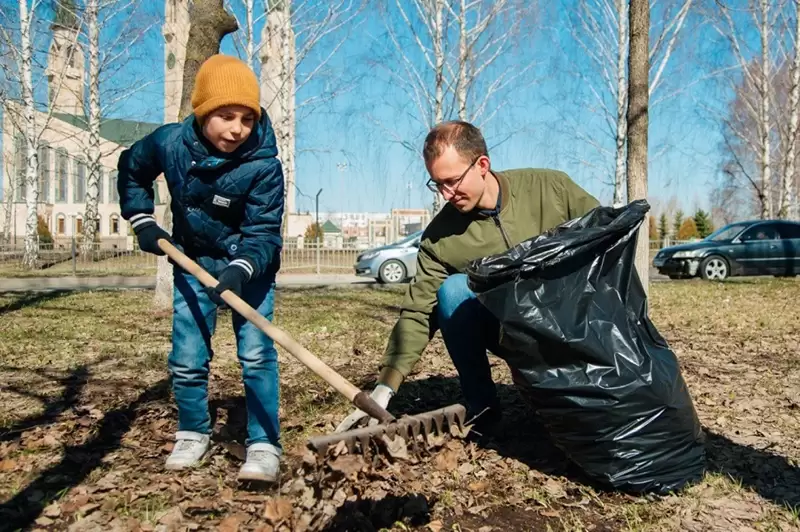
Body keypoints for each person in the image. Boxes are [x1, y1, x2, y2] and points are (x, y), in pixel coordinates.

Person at [335, 120, 600, 435]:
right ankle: (483, 406)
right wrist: (386, 386)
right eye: (437, 184)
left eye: (452, 181)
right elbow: (419, 312)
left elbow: (606, 237)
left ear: (482, 165)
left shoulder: (551, 189)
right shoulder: (440, 238)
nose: (446, 194)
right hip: (511, 332)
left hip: (574, 323)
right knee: (452, 291)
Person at [118, 54, 285, 482]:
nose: (237, 129)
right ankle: (193, 431)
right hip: (192, 259)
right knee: (188, 356)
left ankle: (264, 443)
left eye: (247, 118)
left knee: (256, 354)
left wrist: (240, 270)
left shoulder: (264, 163)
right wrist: (143, 220)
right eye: (226, 116)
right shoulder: (169, 143)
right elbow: (132, 170)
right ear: (203, 111)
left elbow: (264, 232)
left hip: (250, 265)